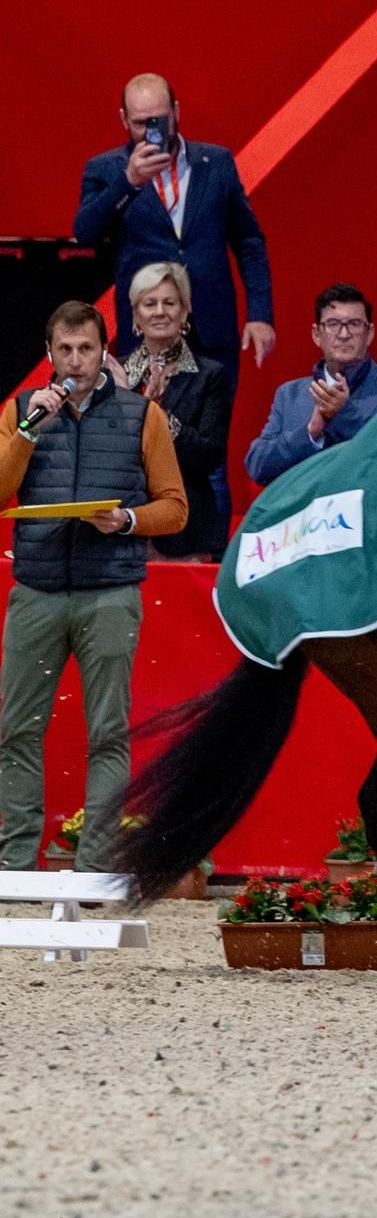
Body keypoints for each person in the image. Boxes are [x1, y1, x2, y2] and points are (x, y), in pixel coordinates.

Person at [0, 301, 187, 872]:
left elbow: (176, 509)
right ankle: (13, 861)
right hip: (36, 590)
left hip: (110, 592)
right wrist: (30, 428)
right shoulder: (21, 412)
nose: (75, 361)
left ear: (104, 352)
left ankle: (97, 865)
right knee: (15, 730)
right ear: (49, 354)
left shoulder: (142, 416)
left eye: (86, 349)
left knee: (107, 732)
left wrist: (128, 520)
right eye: (65, 350)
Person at [73, 72, 275, 539]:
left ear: (177, 112)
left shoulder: (216, 163)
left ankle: (213, 571)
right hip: (145, 333)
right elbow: (84, 230)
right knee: (144, 451)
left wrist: (260, 312)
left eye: (159, 120)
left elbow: (247, 239)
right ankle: (149, 561)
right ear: (124, 119)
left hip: (213, 327)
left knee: (211, 456)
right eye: (141, 122)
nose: (151, 132)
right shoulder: (107, 169)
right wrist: (127, 182)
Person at [246, 283, 377, 486]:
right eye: (333, 324)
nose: (344, 334)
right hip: (306, 512)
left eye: (354, 324)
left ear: (369, 333)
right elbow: (257, 465)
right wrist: (311, 432)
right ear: (317, 334)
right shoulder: (289, 394)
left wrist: (343, 414)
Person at [121, 262, 231, 559]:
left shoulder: (210, 375)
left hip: (186, 530)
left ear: (184, 312)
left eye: (169, 302)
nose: (159, 311)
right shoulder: (113, 375)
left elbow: (209, 455)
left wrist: (160, 418)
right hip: (120, 531)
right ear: (136, 314)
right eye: (149, 303)